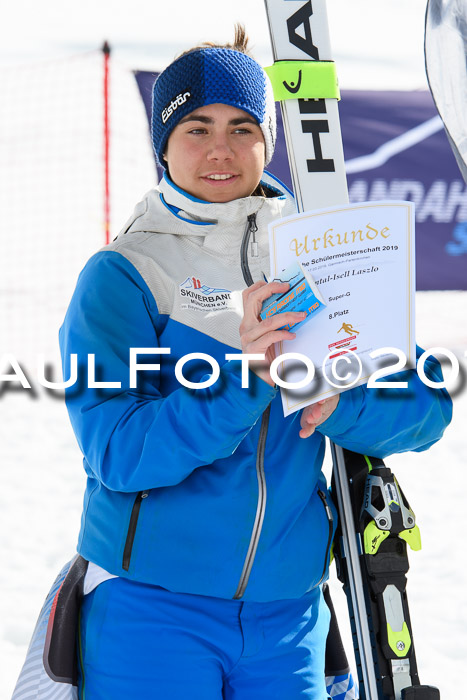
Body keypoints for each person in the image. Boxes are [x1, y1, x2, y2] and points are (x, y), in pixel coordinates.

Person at [57, 27, 451, 699]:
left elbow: (424, 405)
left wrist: (341, 402)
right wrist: (243, 382)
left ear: (268, 138)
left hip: (288, 616)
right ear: (163, 143)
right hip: (154, 612)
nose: (220, 149)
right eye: (196, 127)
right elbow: (118, 452)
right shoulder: (126, 273)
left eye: (242, 127)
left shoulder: (321, 250)